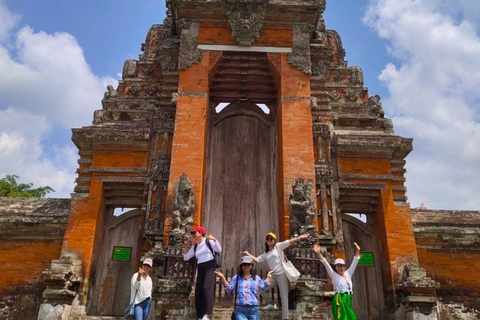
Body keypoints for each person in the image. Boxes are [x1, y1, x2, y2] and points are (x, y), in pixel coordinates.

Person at [241, 232, 309, 320]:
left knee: (283, 296)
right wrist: (247, 254)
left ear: (274, 240)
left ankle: (285, 317)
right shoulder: (266, 254)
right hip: (273, 276)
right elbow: (257, 260)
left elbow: (289, 242)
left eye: (271, 239)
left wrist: (300, 238)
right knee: (260, 288)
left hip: (282, 274)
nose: (269, 240)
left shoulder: (278, 246)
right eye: (267, 239)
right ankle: (272, 304)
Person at [313, 242, 361, 320]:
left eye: (341, 266)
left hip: (348, 298)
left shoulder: (348, 273)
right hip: (340, 299)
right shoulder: (334, 275)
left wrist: (358, 250)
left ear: (344, 266)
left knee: (350, 316)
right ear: (335, 267)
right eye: (338, 266)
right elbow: (326, 264)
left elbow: (355, 261)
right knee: (345, 318)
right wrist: (318, 253)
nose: (340, 268)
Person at [183, 226, 222, 320]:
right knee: (199, 290)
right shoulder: (195, 246)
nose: (194, 235)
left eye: (195, 233)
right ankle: (200, 315)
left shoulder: (208, 241)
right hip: (200, 267)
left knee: (206, 288)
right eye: (193, 233)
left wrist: (214, 239)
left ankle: (206, 313)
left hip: (209, 266)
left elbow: (219, 250)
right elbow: (186, 257)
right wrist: (186, 247)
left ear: (201, 233)